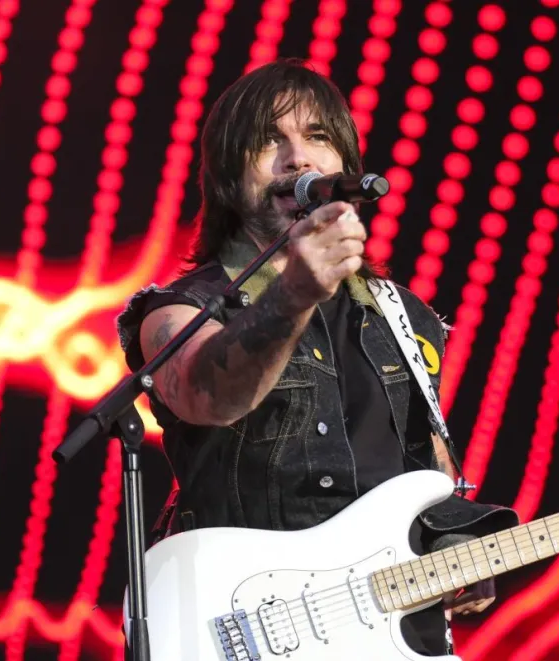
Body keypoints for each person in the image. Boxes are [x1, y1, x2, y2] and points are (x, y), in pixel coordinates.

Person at [116, 57, 518, 655]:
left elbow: (433, 474)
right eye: (268, 140)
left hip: (393, 636)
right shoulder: (180, 310)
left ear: (346, 168)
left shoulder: (404, 316)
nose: (297, 158)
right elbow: (209, 395)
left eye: (318, 137)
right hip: (242, 625)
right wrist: (294, 292)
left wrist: (453, 538)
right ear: (227, 173)